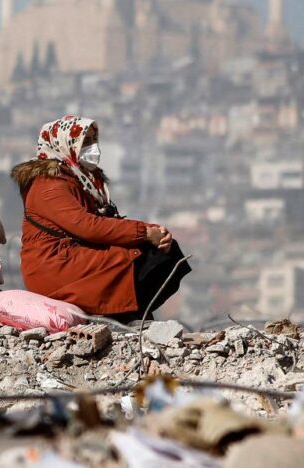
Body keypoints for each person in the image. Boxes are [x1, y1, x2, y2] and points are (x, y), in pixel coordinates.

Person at [11, 115, 191, 322]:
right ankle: (124, 313)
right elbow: (88, 226)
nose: (92, 148)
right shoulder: (48, 185)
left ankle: (129, 312)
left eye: (93, 141)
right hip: (55, 265)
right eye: (85, 142)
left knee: (165, 250)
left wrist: (152, 230)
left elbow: (104, 220)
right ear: (65, 144)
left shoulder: (80, 179)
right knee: (142, 258)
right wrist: (144, 233)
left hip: (72, 256)